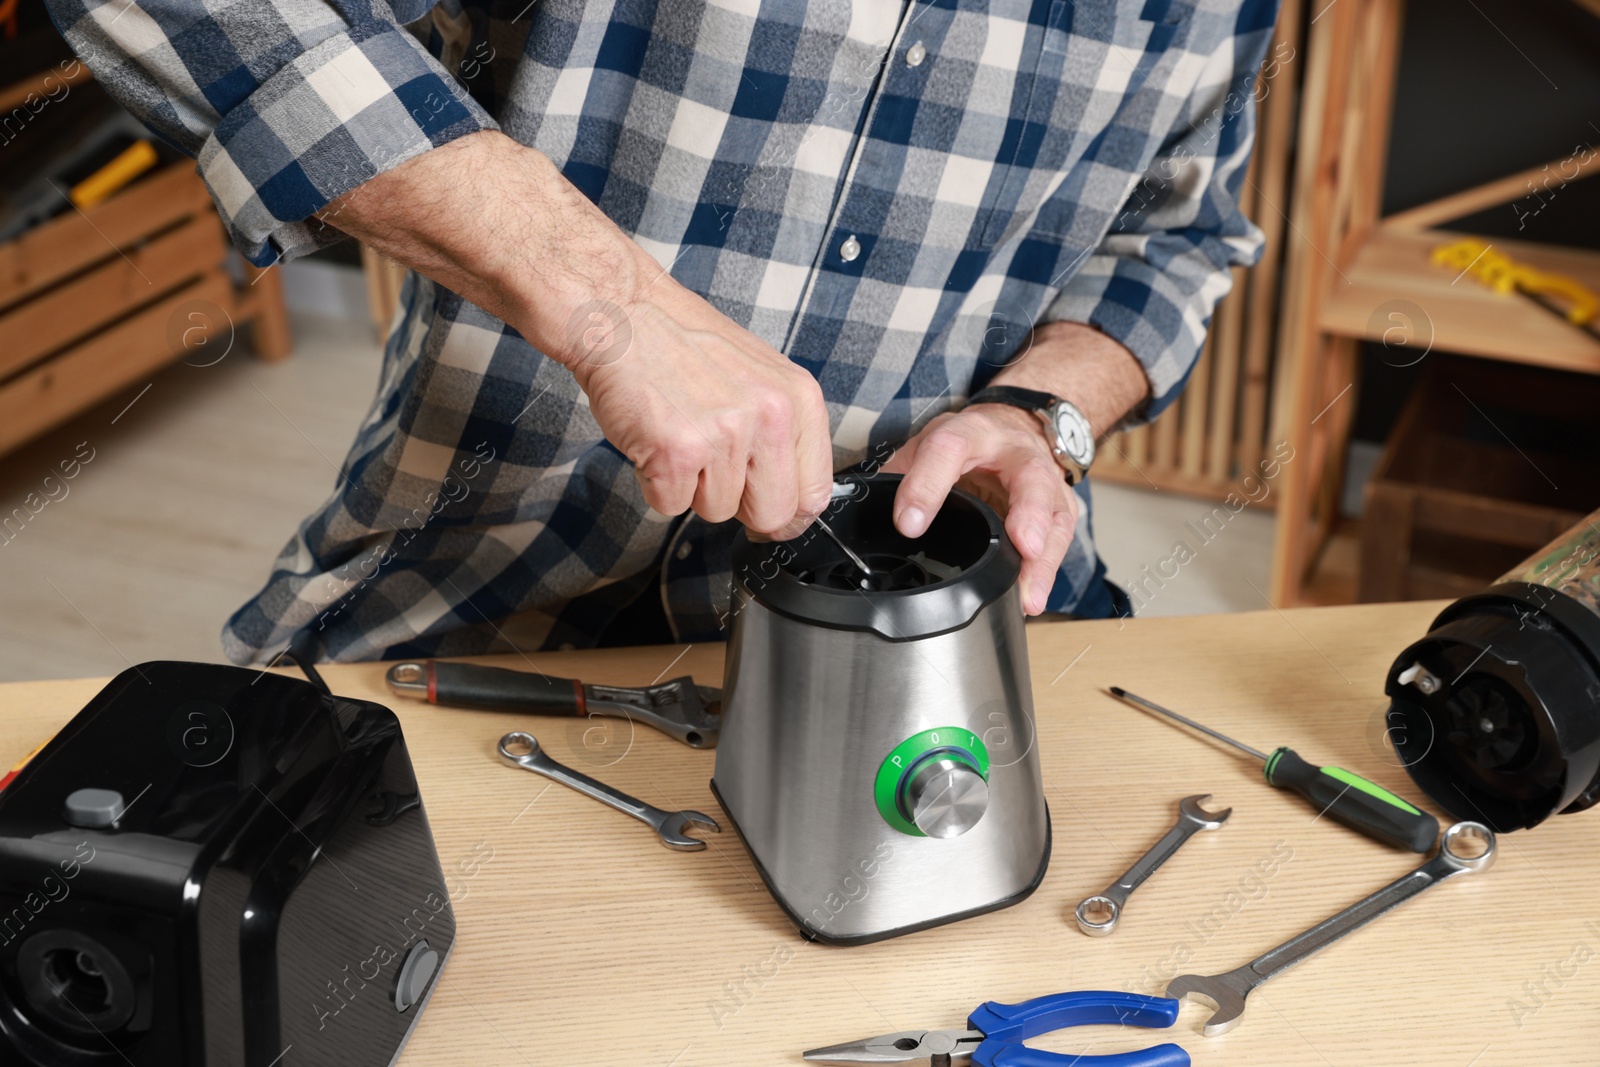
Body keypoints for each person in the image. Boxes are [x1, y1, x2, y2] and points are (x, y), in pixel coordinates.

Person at [46, 0, 1277, 660]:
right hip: (479, 588)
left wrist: (1038, 411)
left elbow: (1175, 240)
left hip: (956, 616)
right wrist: (609, 302)